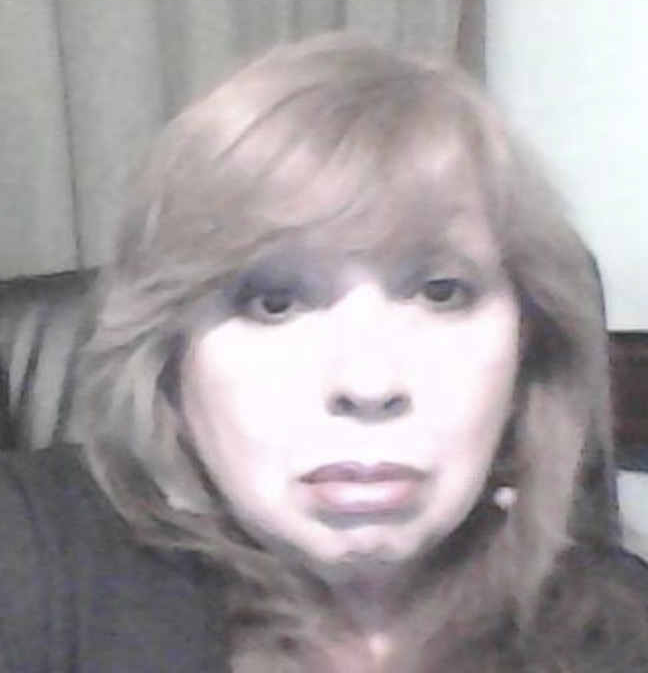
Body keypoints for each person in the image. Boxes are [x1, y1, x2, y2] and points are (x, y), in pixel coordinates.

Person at [0, 34, 647, 673]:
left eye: (441, 292)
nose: (368, 382)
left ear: (531, 351)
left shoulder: (621, 624)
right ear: (170, 364)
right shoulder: (35, 554)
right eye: (274, 302)